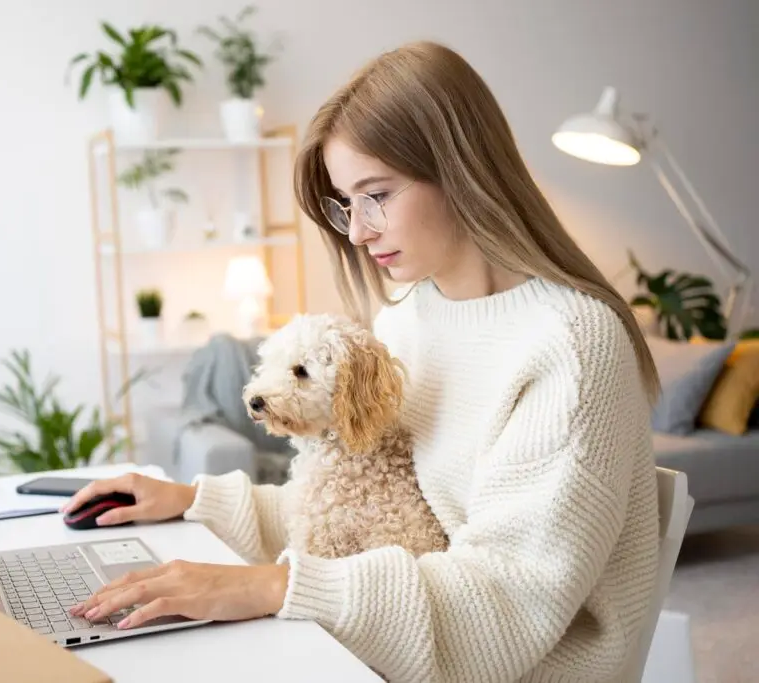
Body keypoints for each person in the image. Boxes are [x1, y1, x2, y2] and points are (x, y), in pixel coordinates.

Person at [62, 40, 660, 683]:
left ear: (462, 168)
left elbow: (505, 605)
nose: (356, 231)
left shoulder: (571, 345)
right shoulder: (408, 319)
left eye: (376, 195)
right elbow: (358, 508)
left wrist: (274, 587)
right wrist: (193, 500)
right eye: (346, 203)